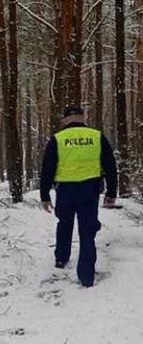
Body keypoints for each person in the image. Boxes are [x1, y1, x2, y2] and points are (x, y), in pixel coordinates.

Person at [39, 107, 118, 288]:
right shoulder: (97, 136)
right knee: (87, 231)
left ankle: (61, 258)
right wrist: (111, 192)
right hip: (89, 190)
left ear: (65, 120)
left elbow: (48, 169)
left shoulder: (58, 139)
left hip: (65, 190)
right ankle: (86, 276)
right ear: (82, 118)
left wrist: (45, 195)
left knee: (64, 223)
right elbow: (110, 166)